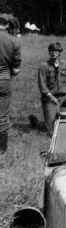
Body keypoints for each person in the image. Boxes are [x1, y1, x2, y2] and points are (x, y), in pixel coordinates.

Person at [0, 14, 21, 152]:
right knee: (2, 114)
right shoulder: (14, 41)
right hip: (4, 79)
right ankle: (2, 148)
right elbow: (16, 69)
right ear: (8, 25)